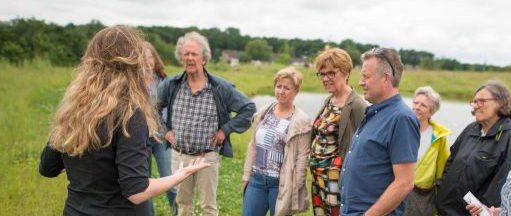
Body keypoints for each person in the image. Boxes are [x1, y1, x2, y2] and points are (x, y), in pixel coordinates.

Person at [39, 25, 210, 215]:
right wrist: (178, 176)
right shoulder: (129, 113)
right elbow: (136, 191)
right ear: (132, 64)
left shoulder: (74, 108)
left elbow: (48, 167)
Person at [157, 31, 256, 216]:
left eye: (194, 54)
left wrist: (225, 130)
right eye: (186, 54)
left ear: (204, 59)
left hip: (207, 157)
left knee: (208, 207)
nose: (189, 58)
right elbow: (151, 109)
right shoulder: (171, 85)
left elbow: (249, 108)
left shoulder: (220, 87)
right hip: (180, 156)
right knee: (183, 204)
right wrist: (165, 132)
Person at [340, 47, 418, 216]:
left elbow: (405, 183)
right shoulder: (375, 112)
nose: (360, 82)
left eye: (365, 76)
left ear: (385, 78)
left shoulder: (401, 118)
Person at [435, 80, 511, 216]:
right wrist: (442, 187)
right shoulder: (471, 129)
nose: (476, 106)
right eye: (474, 102)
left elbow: (502, 182)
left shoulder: (508, 136)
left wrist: (484, 211)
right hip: (445, 209)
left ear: (500, 102)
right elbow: (451, 161)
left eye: (482, 101)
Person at [241, 67, 312, 216]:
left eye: (287, 88)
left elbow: (302, 160)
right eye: (279, 86)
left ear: (296, 91)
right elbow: (253, 146)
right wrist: (246, 175)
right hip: (257, 180)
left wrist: (294, 188)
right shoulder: (264, 111)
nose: (281, 91)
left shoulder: (301, 120)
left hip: (281, 185)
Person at [309, 47, 367, 216]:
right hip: (318, 176)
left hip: (336, 180)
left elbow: (362, 147)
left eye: (331, 73)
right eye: (322, 74)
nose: (325, 78)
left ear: (346, 73)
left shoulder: (357, 105)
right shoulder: (330, 99)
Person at [141, 41, 178, 215]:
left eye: (148, 57)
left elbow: (173, 108)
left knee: (169, 178)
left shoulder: (165, 81)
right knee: (143, 184)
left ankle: (178, 211)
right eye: (142, 57)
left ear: (154, 58)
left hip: (161, 138)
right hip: (140, 138)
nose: (146, 61)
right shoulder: (133, 81)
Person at [404, 86, 452, 216]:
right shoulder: (401, 129)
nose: (417, 107)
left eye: (423, 105)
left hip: (422, 198)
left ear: (431, 112)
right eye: (415, 102)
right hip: (398, 191)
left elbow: (443, 171)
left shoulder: (439, 138)